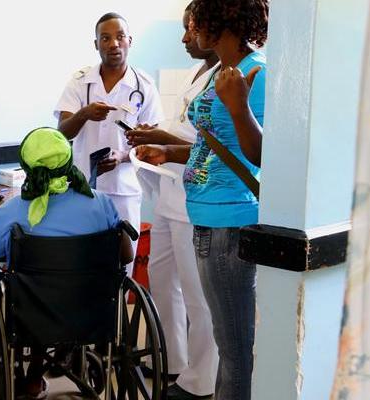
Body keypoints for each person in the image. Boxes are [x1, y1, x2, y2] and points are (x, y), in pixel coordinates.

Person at [134, 1, 269, 399]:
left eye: (193, 24)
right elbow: (212, 145)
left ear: (217, 20)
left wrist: (239, 107)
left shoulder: (255, 72)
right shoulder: (221, 72)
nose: (187, 34)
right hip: (206, 217)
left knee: (234, 350)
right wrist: (168, 152)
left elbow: (263, 155)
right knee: (228, 344)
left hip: (230, 221)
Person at [0, 127, 132, 399]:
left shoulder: (13, 212)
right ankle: (66, 352)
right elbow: (126, 256)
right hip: (94, 309)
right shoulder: (101, 203)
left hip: (33, 314)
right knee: (65, 288)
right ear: (69, 161)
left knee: (29, 288)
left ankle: (34, 377)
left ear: (27, 167)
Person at [124, 3, 219, 399]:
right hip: (169, 193)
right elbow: (185, 127)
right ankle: (174, 360)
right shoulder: (200, 73)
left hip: (194, 199)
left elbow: (210, 145)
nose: (184, 38)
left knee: (197, 295)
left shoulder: (228, 75)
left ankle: (202, 379)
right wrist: (156, 133)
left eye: (190, 30)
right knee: (163, 279)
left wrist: (161, 141)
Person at [54, 12, 164, 278]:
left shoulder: (144, 86)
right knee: (82, 266)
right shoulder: (80, 82)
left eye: (120, 37)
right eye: (105, 38)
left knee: (121, 268)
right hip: (82, 189)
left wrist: (123, 156)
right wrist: (84, 113)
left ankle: (117, 308)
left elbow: (155, 142)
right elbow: (62, 132)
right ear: (96, 44)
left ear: (130, 41)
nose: (114, 43)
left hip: (124, 191)